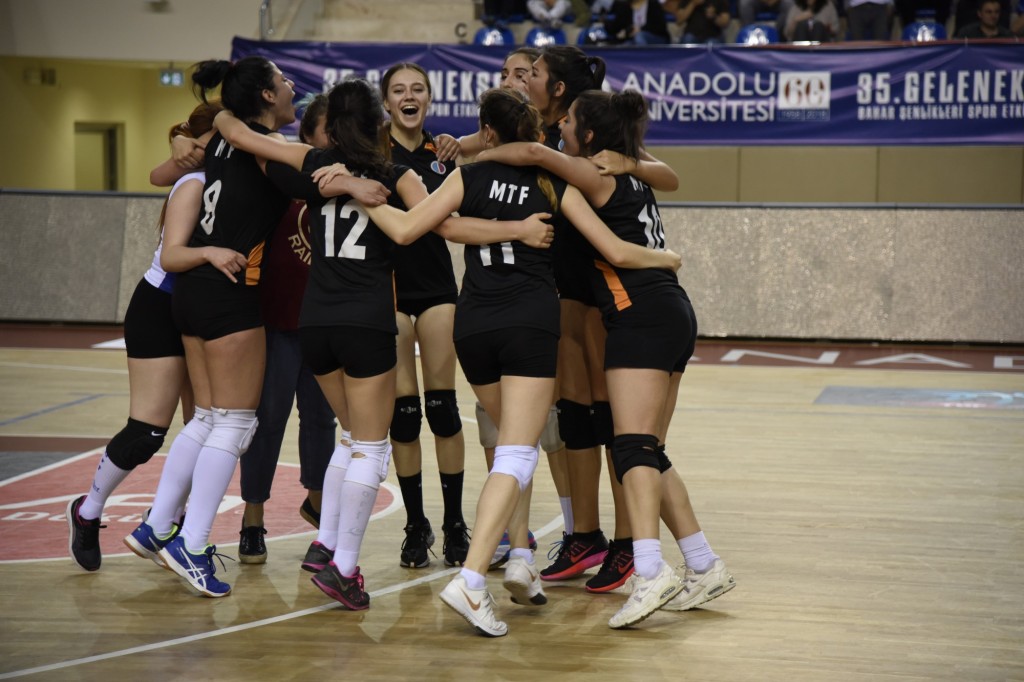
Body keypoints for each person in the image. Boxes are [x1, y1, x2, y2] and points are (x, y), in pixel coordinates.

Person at [214, 78, 553, 611]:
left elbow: (243, 136)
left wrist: (216, 118)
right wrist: (518, 230)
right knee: (371, 447)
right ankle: (345, 567)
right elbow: (442, 228)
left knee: (350, 438)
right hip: (366, 322)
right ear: (379, 122)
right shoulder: (396, 175)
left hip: (314, 322)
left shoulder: (313, 162)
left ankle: (325, 544)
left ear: (329, 125)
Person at [365, 87, 681, 637]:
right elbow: (614, 247)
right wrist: (665, 257)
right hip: (530, 325)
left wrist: (361, 193)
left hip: (473, 325)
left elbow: (417, 228)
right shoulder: (554, 182)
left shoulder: (466, 177)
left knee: (513, 450)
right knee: (516, 452)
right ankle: (472, 578)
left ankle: (518, 557)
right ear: (535, 131)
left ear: (487, 132)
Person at [478, 88, 736, 629]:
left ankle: (649, 571)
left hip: (639, 314)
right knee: (650, 450)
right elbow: (666, 176)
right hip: (670, 312)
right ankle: (704, 563)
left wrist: (473, 157)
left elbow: (533, 153)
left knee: (631, 447)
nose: (560, 126)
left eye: (569, 120)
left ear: (589, 134)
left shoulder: (593, 172)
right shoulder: (631, 169)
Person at [123, 56, 298, 598]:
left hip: (192, 291)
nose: (291, 85)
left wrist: (189, 132)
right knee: (236, 424)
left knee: (207, 419)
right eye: (283, 81)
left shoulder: (223, 134)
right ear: (266, 96)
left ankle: (157, 525)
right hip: (228, 288)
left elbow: (187, 148)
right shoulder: (264, 147)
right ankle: (193, 544)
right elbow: (301, 166)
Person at [65, 102, 226, 572]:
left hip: (206, 310)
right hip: (161, 306)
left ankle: (172, 525)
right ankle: (88, 510)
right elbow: (161, 176)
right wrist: (183, 145)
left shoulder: (236, 169)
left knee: (209, 429)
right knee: (147, 432)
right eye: (209, 143)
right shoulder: (193, 176)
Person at [235, 94, 338, 565]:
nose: (335, 138)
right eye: (328, 129)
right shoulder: (280, 171)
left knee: (321, 420)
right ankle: (252, 518)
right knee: (268, 420)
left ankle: (318, 505)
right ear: (309, 135)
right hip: (276, 320)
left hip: (322, 321)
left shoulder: (345, 178)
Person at [380, 63, 470, 570]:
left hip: (437, 290)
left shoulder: (444, 153)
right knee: (404, 417)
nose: (408, 96)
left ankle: (455, 523)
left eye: (417, 89)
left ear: (429, 99)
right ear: (386, 102)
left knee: (443, 410)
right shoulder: (374, 153)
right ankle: (416, 525)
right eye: (399, 90)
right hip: (390, 292)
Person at [603, 0, 673, 44]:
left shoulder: (653, 4)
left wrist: (640, 29)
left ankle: (644, 62)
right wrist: (605, 22)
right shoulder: (625, 7)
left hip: (656, 37)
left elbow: (660, 27)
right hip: (634, 39)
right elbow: (616, 27)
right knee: (626, 45)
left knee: (639, 36)